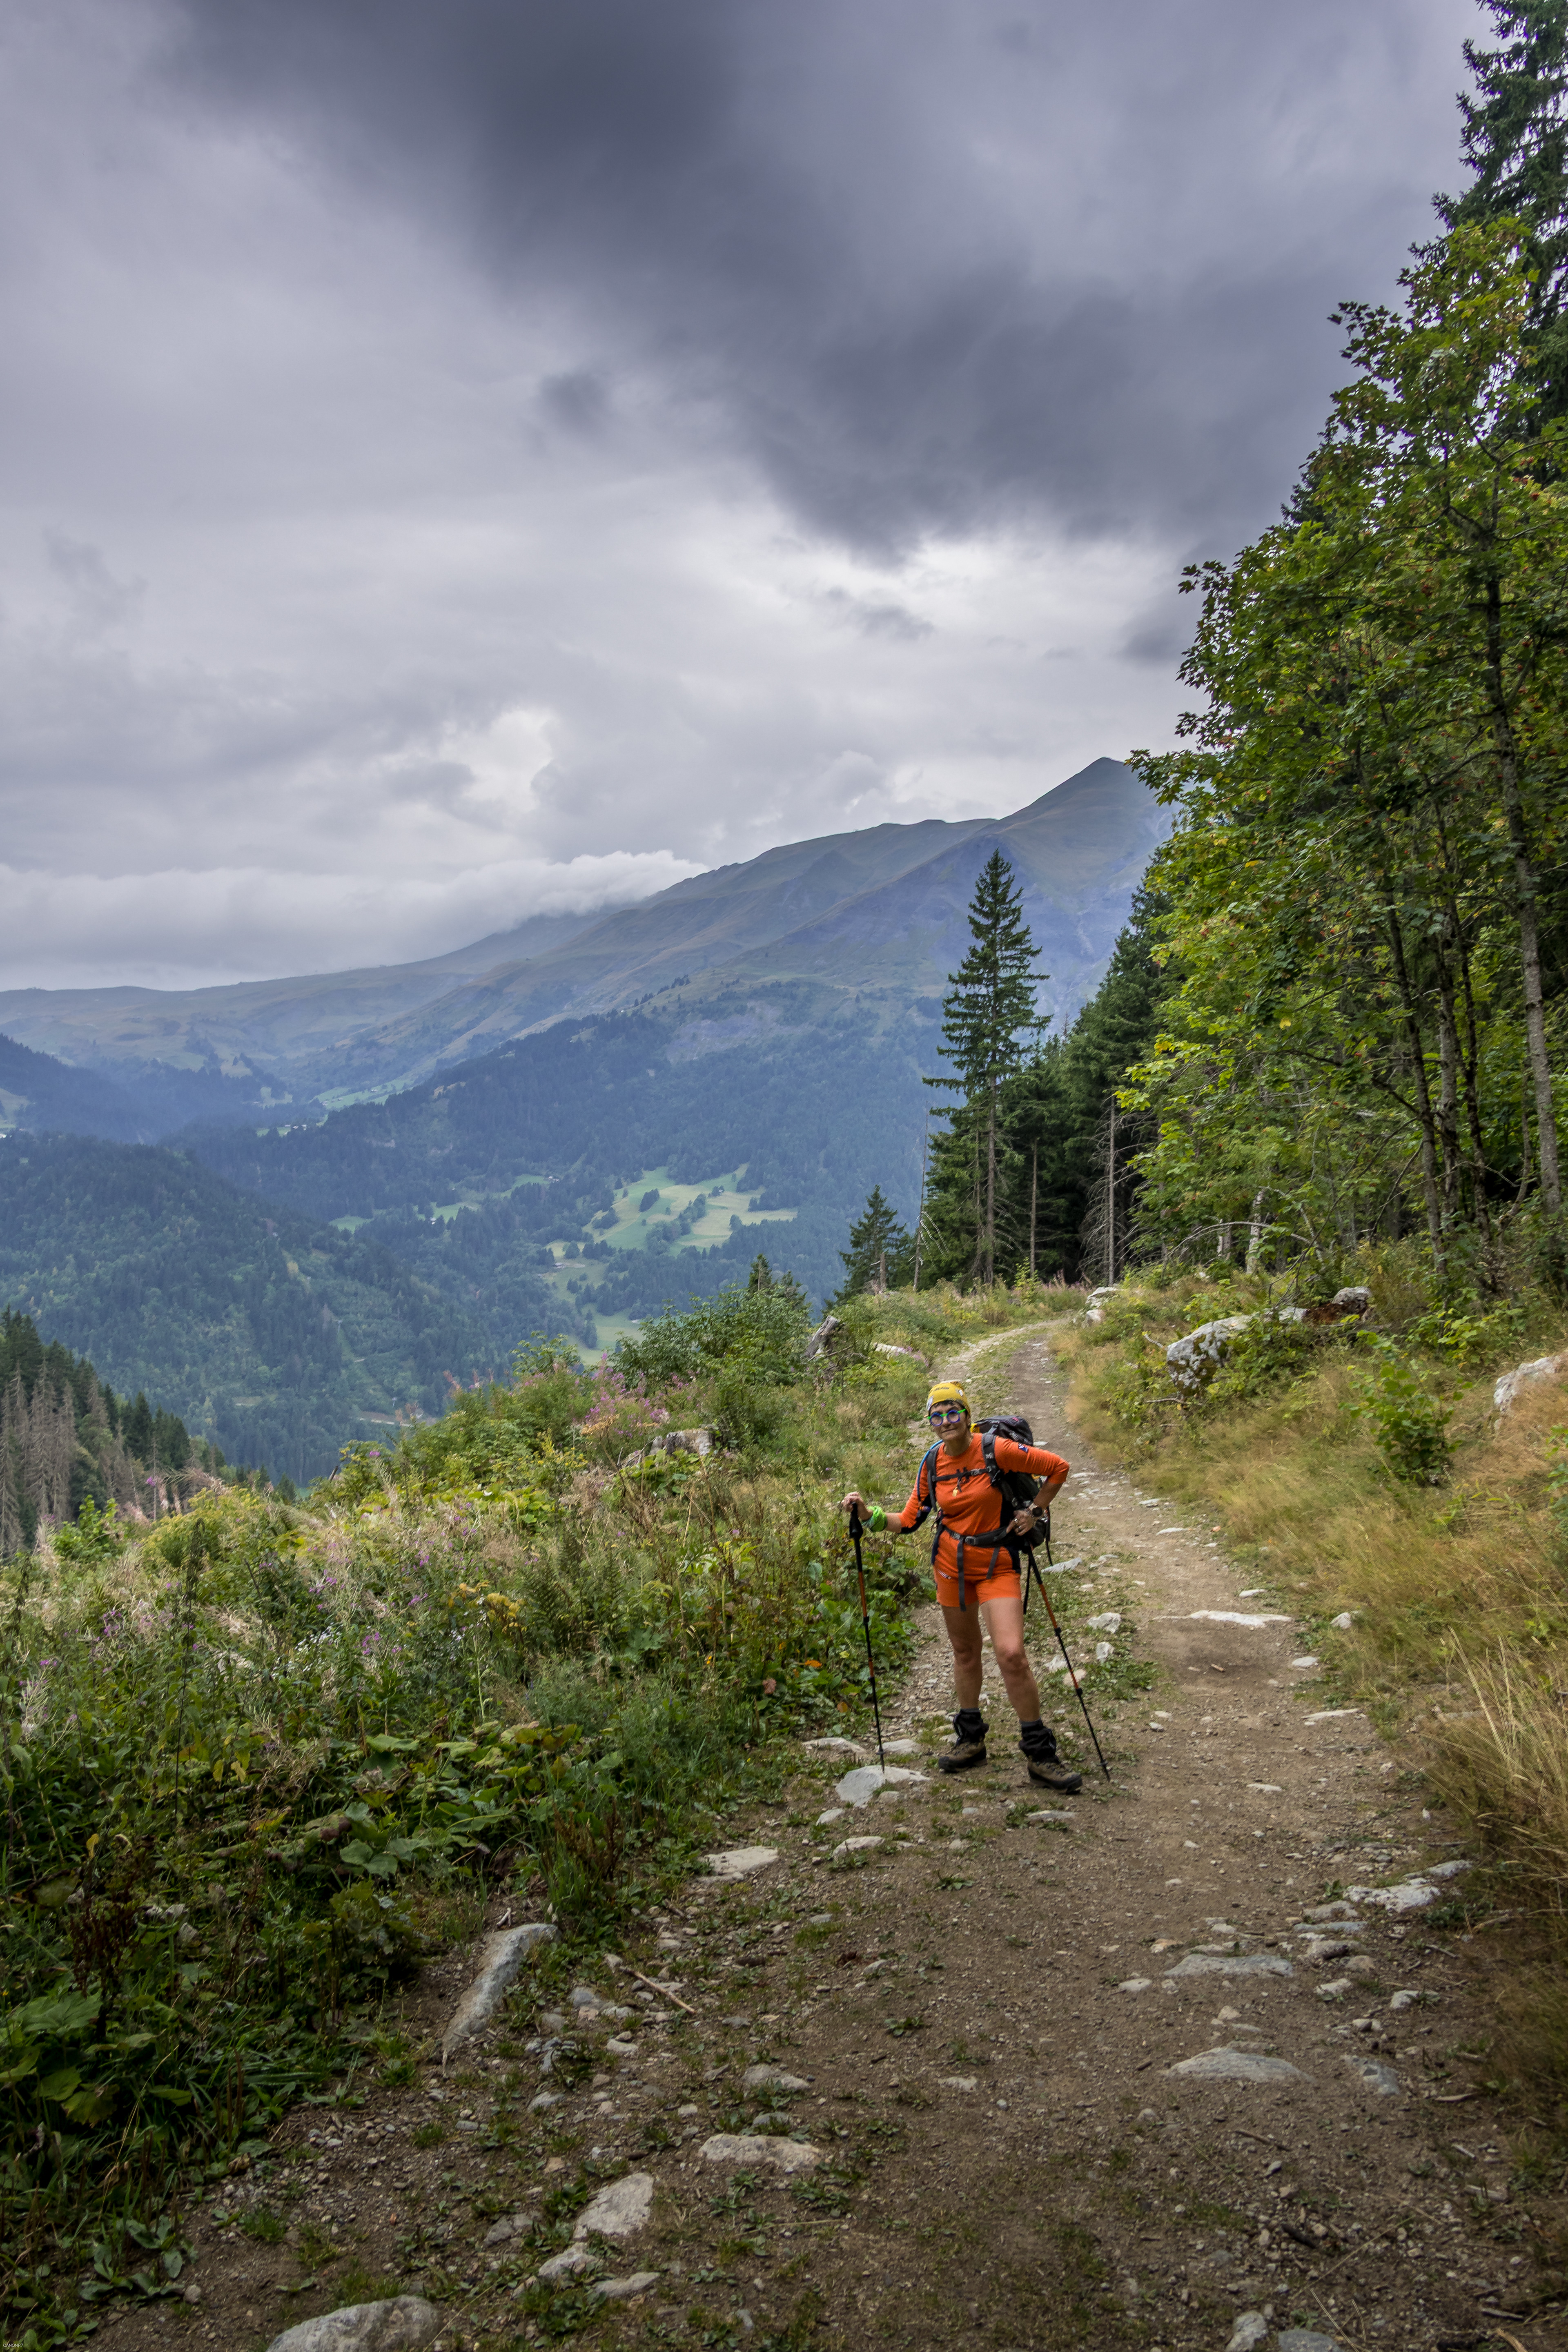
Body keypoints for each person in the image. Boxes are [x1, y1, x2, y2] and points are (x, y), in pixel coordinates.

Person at [841, 1380, 1082, 1792]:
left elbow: (1057, 1468)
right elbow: (911, 1519)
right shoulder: (933, 1462)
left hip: (997, 1565)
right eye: (938, 1415)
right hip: (950, 1567)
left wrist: (1034, 1512)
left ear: (968, 1416)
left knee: (1011, 1654)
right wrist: (868, 1515)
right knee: (966, 1653)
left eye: (954, 1412)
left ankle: (1040, 1753)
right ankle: (970, 1739)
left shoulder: (995, 1449)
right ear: (931, 1423)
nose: (946, 1421)